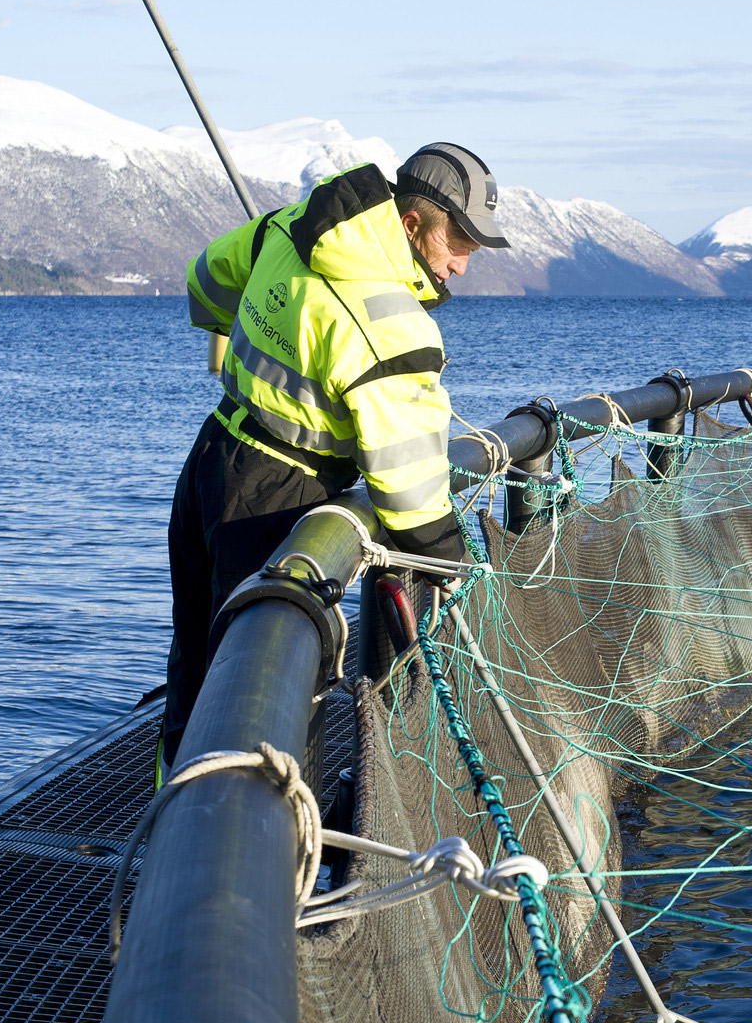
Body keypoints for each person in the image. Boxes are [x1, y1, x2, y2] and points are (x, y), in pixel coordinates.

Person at [162, 142, 510, 765]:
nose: (462, 265)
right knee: (265, 700)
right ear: (410, 225)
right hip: (275, 500)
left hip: (211, 456)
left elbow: (206, 276)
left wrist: (229, 345)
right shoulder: (391, 325)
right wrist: (458, 577)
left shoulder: (293, 227)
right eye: (458, 243)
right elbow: (410, 500)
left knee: (197, 670)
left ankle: (168, 827)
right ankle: (264, 846)